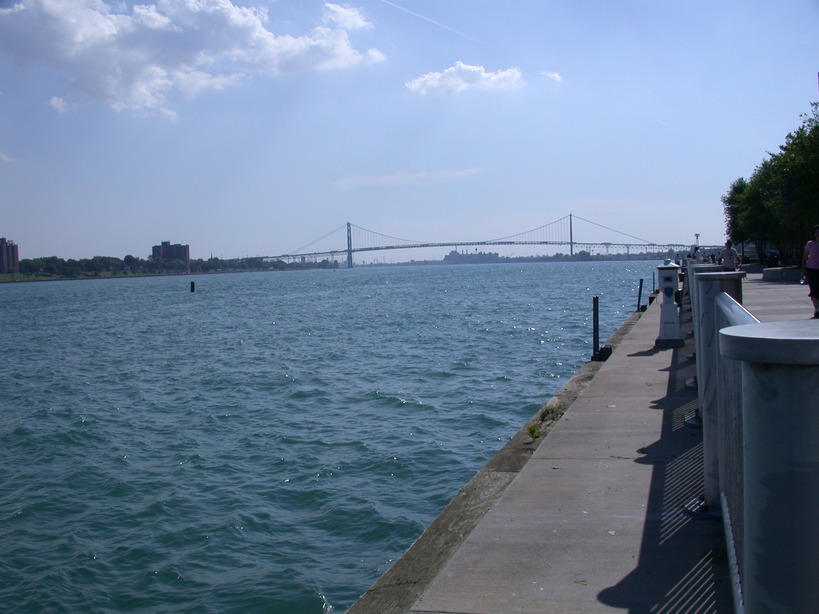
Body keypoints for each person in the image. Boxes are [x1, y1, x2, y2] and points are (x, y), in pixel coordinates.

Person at [801, 225, 819, 318]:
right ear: (814, 234)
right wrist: (803, 271)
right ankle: (817, 310)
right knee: (814, 290)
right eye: (817, 232)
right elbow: (805, 258)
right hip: (812, 270)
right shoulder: (810, 244)